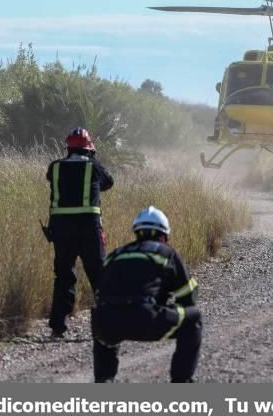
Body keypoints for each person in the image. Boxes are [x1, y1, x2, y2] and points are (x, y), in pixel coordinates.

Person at [91, 206, 202, 383]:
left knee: (103, 321)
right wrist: (167, 303)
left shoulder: (115, 254)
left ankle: (104, 381)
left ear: (137, 232)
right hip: (146, 319)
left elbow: (99, 293)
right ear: (164, 235)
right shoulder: (166, 253)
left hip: (107, 324)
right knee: (193, 320)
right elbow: (188, 296)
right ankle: (182, 382)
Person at [46, 127, 114, 338]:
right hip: (88, 229)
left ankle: (58, 327)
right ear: (89, 149)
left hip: (61, 230)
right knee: (98, 275)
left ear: (68, 148)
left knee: (64, 276)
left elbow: (53, 179)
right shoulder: (93, 167)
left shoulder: (54, 167)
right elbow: (108, 182)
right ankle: (106, 325)